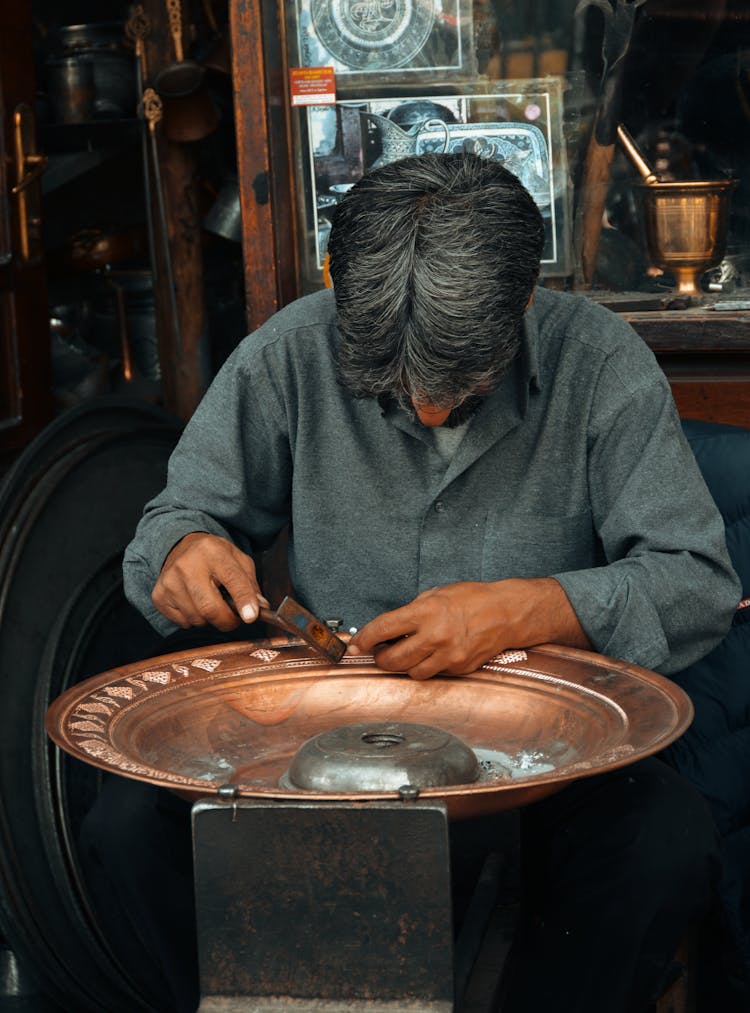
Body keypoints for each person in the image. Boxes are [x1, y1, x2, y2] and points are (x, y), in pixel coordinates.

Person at [101, 152, 739, 1012]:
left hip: (546, 751)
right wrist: (182, 549)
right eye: (393, 388)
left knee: (663, 845)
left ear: (521, 303)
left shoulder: (597, 362)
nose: (428, 408)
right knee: (128, 829)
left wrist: (525, 609)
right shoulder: (290, 352)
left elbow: (696, 583)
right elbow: (170, 529)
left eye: (457, 385)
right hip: (327, 744)